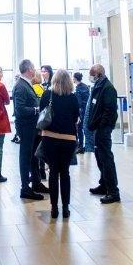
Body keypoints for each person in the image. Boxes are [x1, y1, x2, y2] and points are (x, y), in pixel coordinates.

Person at [39, 69, 80, 219]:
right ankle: (66, 208)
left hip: (49, 138)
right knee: (65, 173)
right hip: (68, 139)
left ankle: (54, 208)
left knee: (53, 172)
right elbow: (76, 117)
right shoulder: (73, 98)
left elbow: (42, 115)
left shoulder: (47, 95)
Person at [13, 59, 47, 200]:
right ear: (28, 69)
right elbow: (19, 110)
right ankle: (25, 188)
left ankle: (36, 183)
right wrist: (36, 109)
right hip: (26, 127)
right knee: (25, 156)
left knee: (33, 156)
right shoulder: (21, 86)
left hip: (31, 127)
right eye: (33, 68)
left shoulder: (26, 84)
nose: (35, 70)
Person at [87, 64, 121, 204]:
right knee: (99, 157)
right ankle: (104, 184)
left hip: (103, 129)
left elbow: (109, 111)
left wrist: (101, 126)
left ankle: (113, 191)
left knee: (106, 158)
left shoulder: (108, 88)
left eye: (92, 75)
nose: (91, 77)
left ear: (99, 75)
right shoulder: (98, 87)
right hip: (97, 128)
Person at [74, 72, 89, 153]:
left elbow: (78, 103)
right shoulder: (85, 86)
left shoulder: (78, 89)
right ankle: (85, 145)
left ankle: (80, 146)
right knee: (84, 129)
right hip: (86, 110)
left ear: (75, 78)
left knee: (79, 129)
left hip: (81, 111)